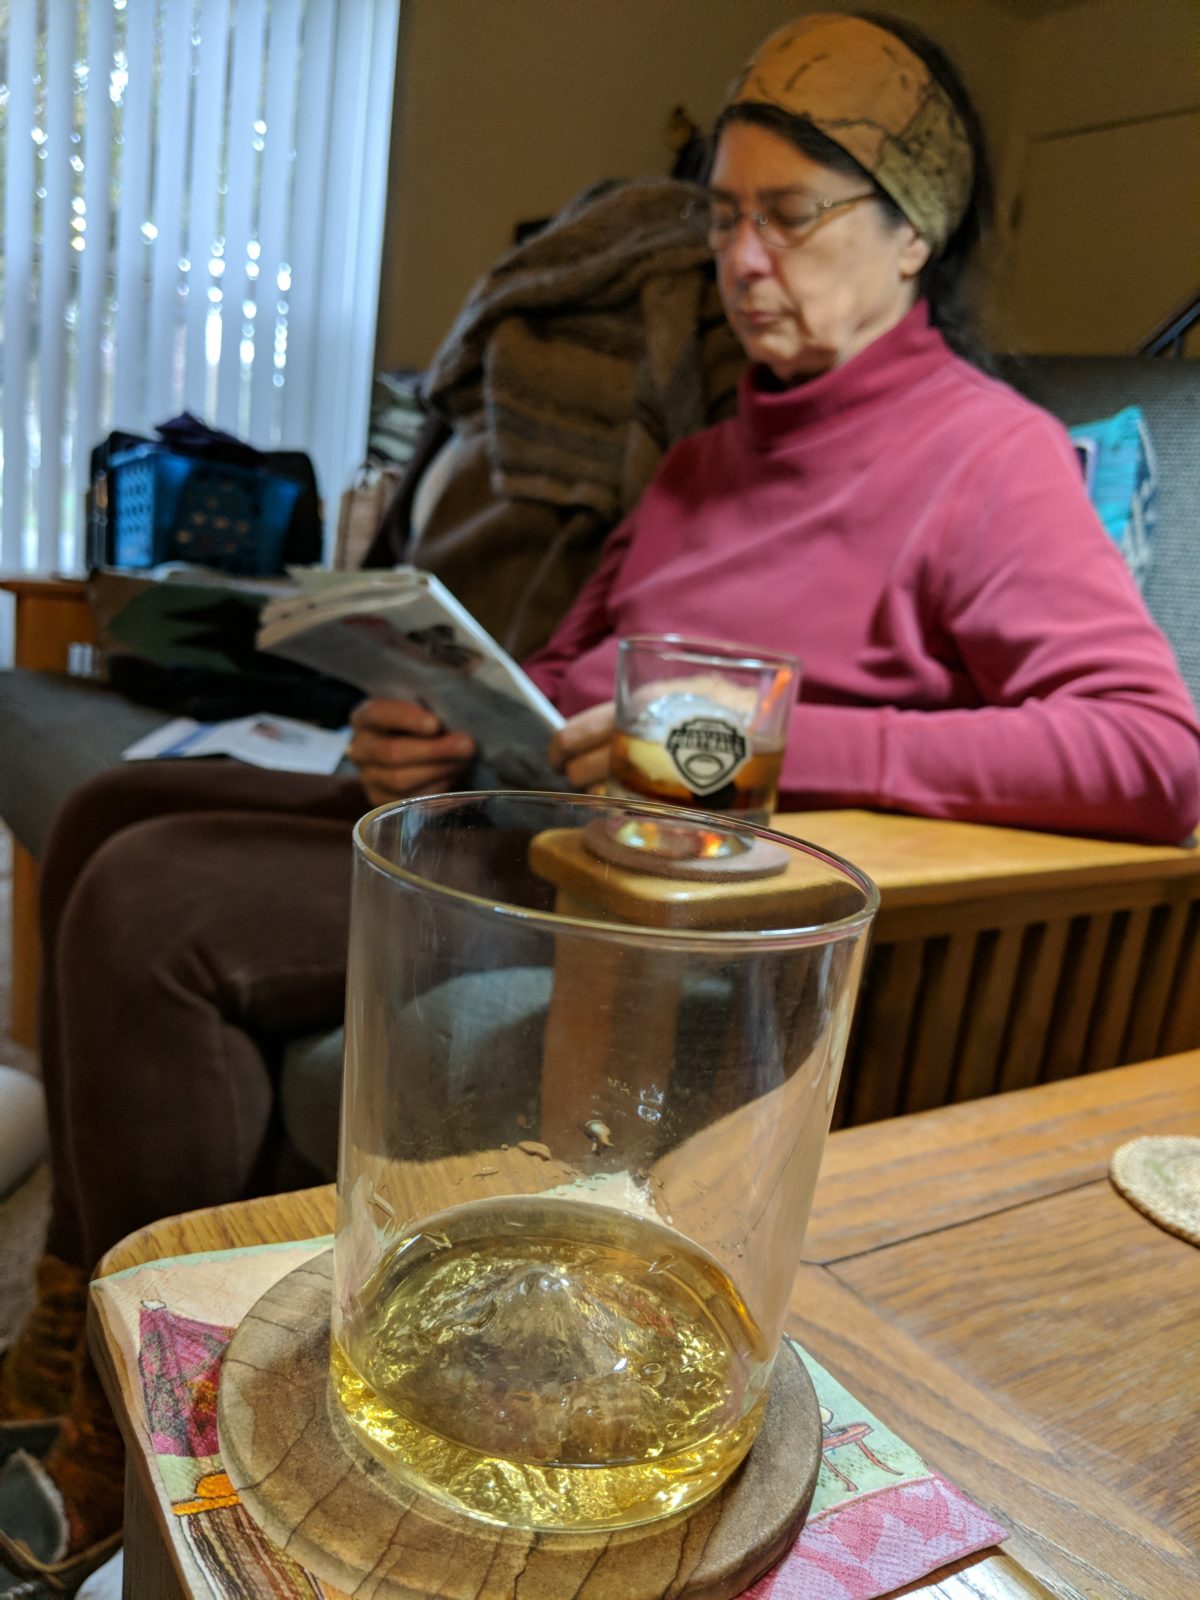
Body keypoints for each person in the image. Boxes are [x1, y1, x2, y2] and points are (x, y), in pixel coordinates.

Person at [3, 10, 1198, 1560]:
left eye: (790, 216)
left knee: (154, 906)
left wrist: (764, 744)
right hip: (534, 812)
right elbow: (573, 668)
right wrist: (449, 718)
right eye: (725, 216)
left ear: (914, 231)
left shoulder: (988, 458)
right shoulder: (702, 460)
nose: (742, 260)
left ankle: (114, 1434)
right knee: (108, 811)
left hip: (652, 901)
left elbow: (1153, 752)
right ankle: (72, 1313)